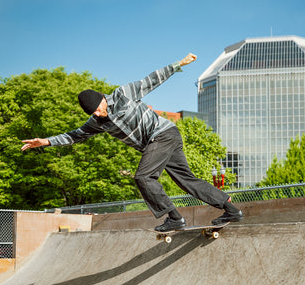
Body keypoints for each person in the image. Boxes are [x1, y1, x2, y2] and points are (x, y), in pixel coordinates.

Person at [21, 53, 243, 231]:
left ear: (102, 99)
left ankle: (175, 218)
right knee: (186, 180)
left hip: (163, 134)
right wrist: (46, 142)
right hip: (161, 142)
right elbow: (75, 135)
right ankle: (231, 210)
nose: (97, 114)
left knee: (143, 177)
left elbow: (151, 80)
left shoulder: (122, 94)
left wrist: (179, 64)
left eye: (98, 109)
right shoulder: (97, 122)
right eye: (93, 113)